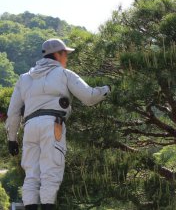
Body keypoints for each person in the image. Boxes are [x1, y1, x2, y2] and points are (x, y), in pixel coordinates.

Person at [5, 38, 111, 210]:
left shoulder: (24, 79)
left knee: (31, 174)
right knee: (51, 171)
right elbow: (90, 97)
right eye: (65, 54)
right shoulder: (64, 74)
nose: (66, 58)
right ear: (57, 54)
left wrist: (12, 139)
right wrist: (107, 89)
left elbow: (13, 112)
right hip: (53, 124)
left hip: (30, 126)